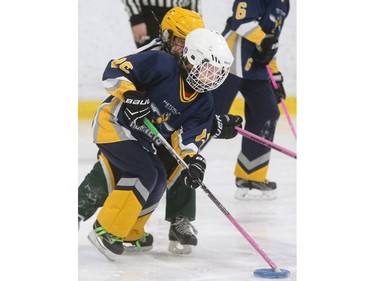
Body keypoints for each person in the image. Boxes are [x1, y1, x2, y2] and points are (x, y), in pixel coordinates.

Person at [78, 7, 242, 256]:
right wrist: (131, 94)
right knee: (137, 172)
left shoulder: (203, 99)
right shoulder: (160, 61)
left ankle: (131, 232)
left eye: (214, 72)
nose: (209, 76)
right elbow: (115, 70)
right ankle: (106, 228)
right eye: (180, 41)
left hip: (146, 139)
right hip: (116, 124)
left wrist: (194, 160)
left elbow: (189, 136)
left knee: (157, 174)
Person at [211, 0, 290, 200]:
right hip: (230, 61)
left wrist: (275, 74)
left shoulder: (284, 4)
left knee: (267, 113)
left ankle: (252, 173)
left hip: (256, 68)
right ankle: (171, 167)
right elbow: (241, 20)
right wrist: (264, 41)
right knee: (209, 116)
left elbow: (271, 41)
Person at [121, 0, 201, 48]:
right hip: (150, 15)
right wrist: (136, 18)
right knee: (151, 64)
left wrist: (196, 18)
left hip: (184, 14)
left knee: (183, 64)